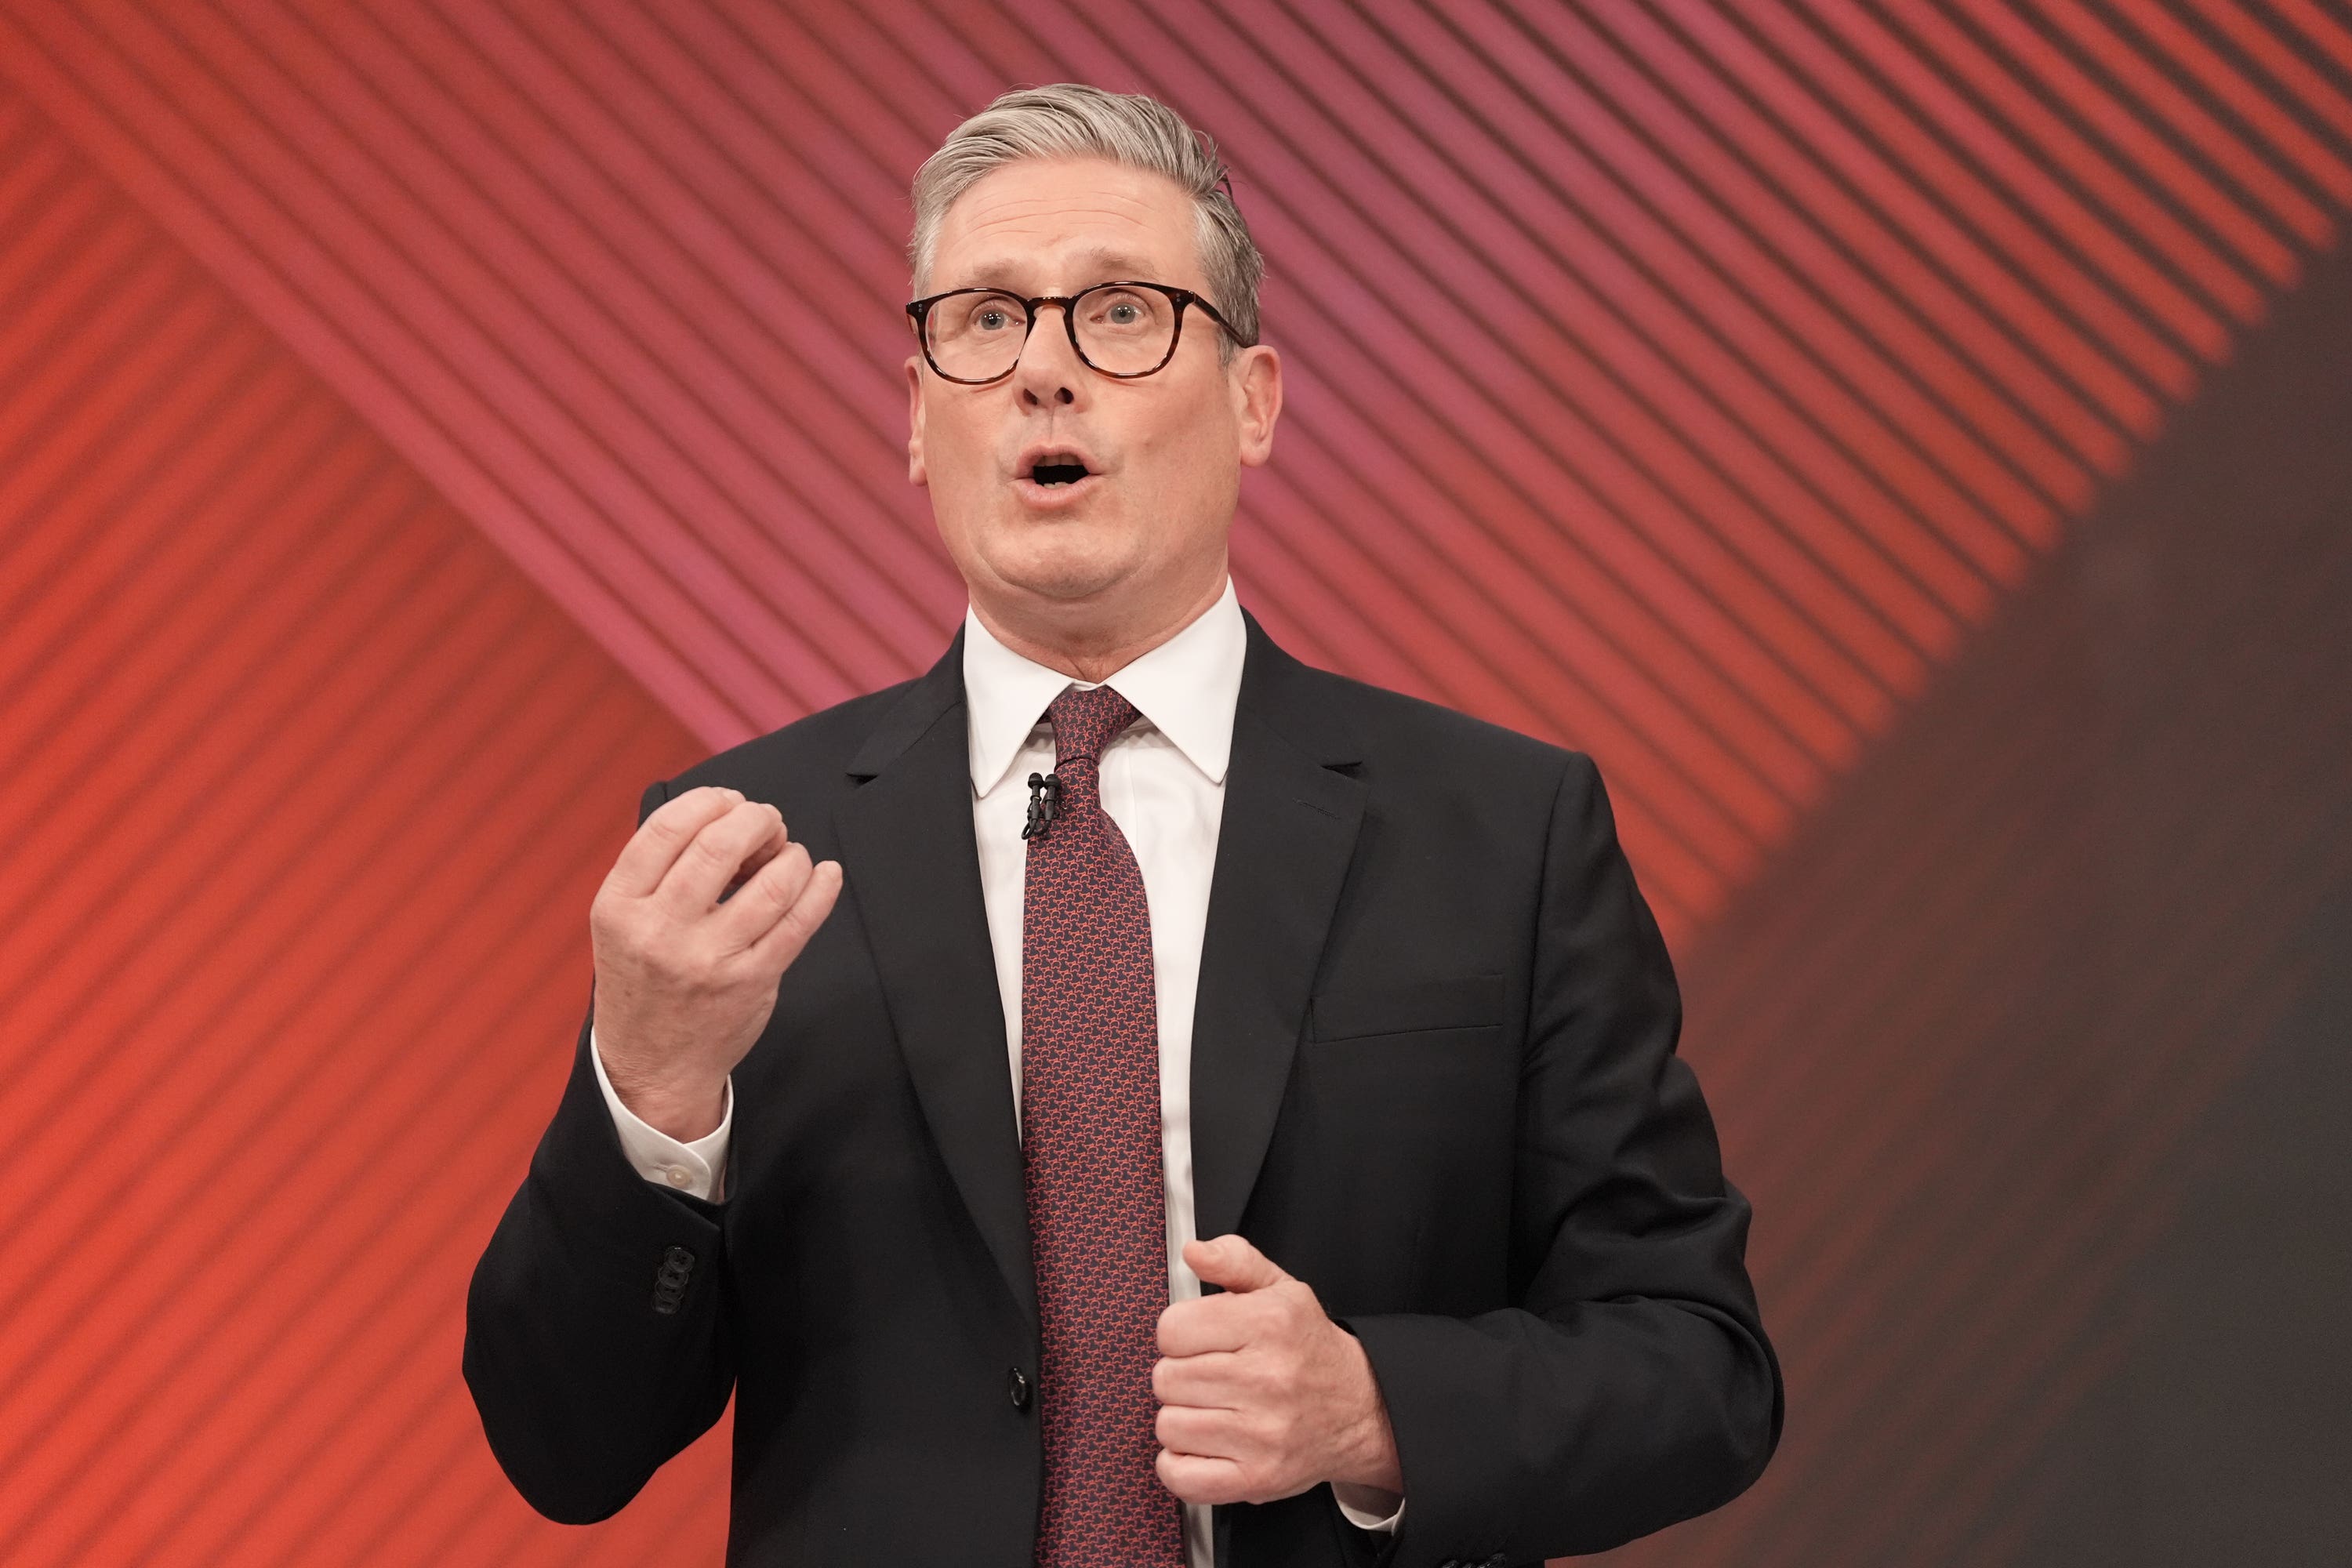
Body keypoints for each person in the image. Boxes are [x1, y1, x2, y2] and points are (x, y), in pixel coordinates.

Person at [464, 83, 1781, 1568]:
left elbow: (1700, 1365)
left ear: (1253, 402)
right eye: (984, 321)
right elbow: (562, 1446)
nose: (1045, 374)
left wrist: (1375, 1409)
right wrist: (646, 1084)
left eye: (1122, 315)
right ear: (916, 421)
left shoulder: (1501, 834)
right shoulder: (742, 861)